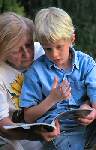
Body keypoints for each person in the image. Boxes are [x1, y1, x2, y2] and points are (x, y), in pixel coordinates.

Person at [20, 7, 96, 150]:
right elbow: (28, 117)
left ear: (72, 39)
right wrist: (52, 99)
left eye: (59, 47)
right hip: (59, 135)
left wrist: (91, 109)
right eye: (48, 49)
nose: (54, 55)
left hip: (88, 127)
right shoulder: (35, 71)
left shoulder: (87, 63)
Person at [0, 12, 60, 150]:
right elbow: (3, 126)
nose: (27, 55)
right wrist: (32, 134)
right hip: (19, 139)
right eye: (16, 51)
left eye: (28, 45)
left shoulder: (44, 51)